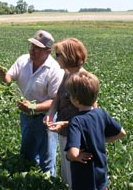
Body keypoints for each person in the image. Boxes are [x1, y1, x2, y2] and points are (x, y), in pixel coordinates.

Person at [0, 30, 64, 176]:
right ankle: (28, 181)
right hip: (26, 116)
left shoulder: (54, 69)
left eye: (37, 48)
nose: (32, 50)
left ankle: (48, 183)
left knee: (47, 159)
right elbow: (9, 79)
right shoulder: (23, 60)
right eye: (32, 46)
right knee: (27, 155)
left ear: (48, 51)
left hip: (46, 118)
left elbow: (55, 101)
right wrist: (4, 77)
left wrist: (34, 108)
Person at [44, 38, 94, 188]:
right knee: (67, 175)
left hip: (77, 137)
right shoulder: (67, 74)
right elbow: (58, 96)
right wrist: (51, 113)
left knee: (76, 178)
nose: (55, 58)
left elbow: (91, 115)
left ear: (69, 56)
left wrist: (64, 124)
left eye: (58, 54)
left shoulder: (83, 79)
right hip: (65, 131)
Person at [65, 70, 126, 190]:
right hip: (101, 176)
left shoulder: (76, 121)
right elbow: (121, 133)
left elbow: (73, 153)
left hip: (83, 180)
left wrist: (72, 157)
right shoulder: (101, 113)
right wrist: (100, 141)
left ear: (75, 100)